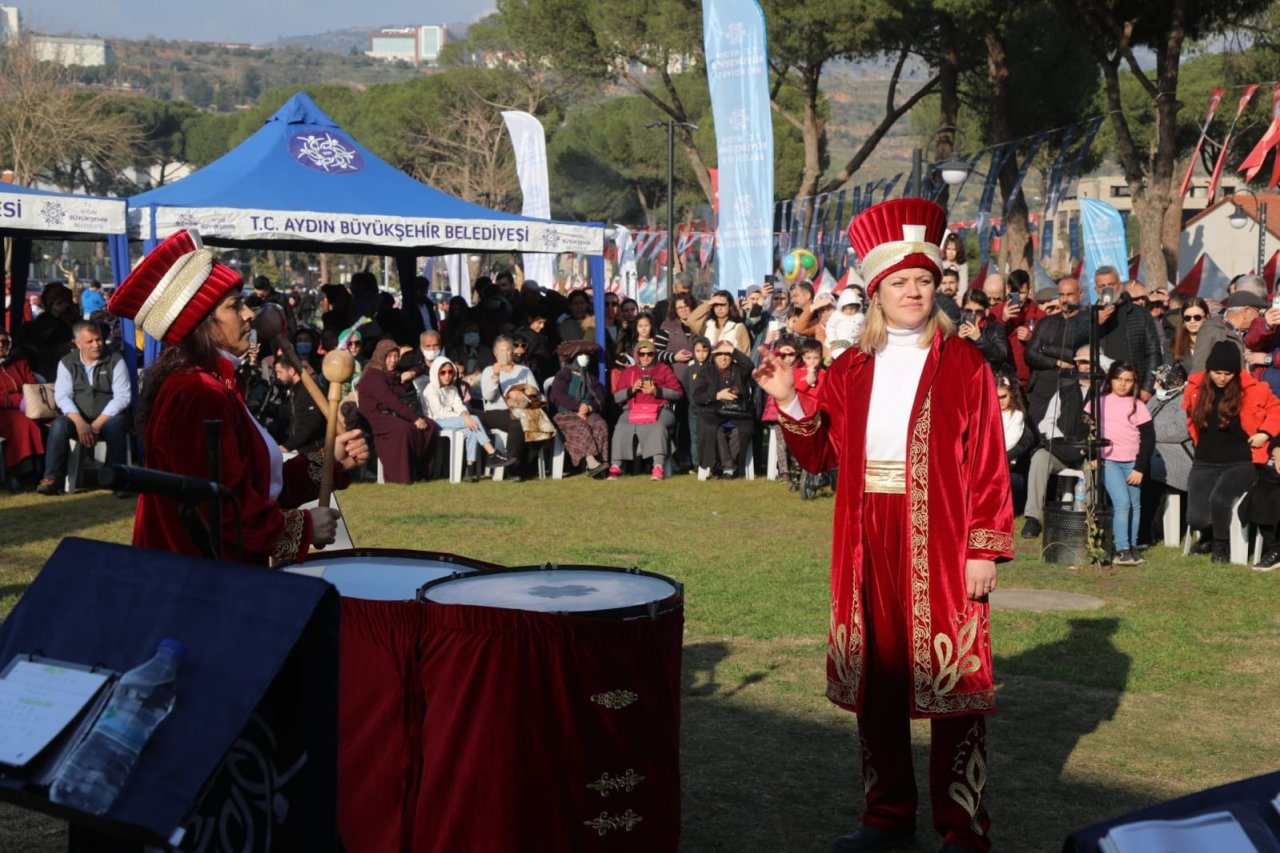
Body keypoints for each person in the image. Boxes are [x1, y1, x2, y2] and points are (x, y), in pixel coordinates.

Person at [754, 198, 1010, 853]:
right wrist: (787, 399)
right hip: (868, 538)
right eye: (899, 282)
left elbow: (986, 460)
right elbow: (818, 454)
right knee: (878, 681)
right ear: (876, 292)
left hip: (945, 538)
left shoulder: (966, 364)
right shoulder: (850, 370)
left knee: (957, 687)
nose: (913, 291)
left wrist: (984, 545)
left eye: (923, 280)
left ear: (937, 286)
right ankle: (887, 815)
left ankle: (962, 828)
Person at [106, 229, 367, 563]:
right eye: (234, 305)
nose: (248, 315)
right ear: (201, 323)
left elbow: (255, 485)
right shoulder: (195, 392)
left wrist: (330, 460)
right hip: (195, 584)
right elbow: (218, 508)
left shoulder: (217, 383)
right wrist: (301, 527)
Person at [1181, 340, 1280, 562]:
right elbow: (1190, 418)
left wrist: (1265, 432)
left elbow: (1277, 409)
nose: (1222, 378)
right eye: (1217, 372)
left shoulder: (1254, 389)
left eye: (1228, 373)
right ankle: (1206, 535)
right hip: (1205, 461)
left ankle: (1221, 545)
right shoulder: (1195, 389)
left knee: (1219, 499)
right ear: (1209, 370)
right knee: (1196, 517)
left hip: (1239, 461)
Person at [36, 321, 132, 496]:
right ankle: (51, 478)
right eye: (90, 341)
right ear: (77, 343)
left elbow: (122, 397)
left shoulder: (115, 360)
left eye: (99, 340)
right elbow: (62, 396)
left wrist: (96, 425)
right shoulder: (67, 363)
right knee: (59, 425)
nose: (96, 345)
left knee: (117, 424)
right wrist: (80, 422)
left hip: (107, 417)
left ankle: (117, 479)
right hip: (78, 417)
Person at [1020, 345, 1096, 539]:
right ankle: (1033, 518)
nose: (1085, 366)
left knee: (1093, 468)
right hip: (1062, 449)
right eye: (1081, 362)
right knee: (1039, 458)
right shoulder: (1065, 391)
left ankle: (1089, 520)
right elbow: (1048, 421)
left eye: (1089, 361)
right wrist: (1059, 442)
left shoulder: (1103, 393)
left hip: (1090, 452)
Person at [1091, 362, 1154, 566]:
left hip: (1133, 463)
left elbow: (1148, 439)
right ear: (1110, 379)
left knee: (1135, 505)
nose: (1123, 384)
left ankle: (1132, 546)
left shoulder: (1139, 406)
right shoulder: (1099, 402)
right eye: (1119, 379)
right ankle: (1122, 549)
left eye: (1128, 380)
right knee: (1122, 503)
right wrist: (1092, 455)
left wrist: (1139, 468)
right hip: (1109, 461)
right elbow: (1088, 429)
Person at [422, 356, 513, 482]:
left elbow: (459, 405)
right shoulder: (430, 389)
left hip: (452, 420)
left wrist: (465, 416)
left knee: (471, 429)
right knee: (473, 419)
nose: (447, 375)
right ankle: (492, 453)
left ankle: (469, 469)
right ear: (436, 373)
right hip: (436, 421)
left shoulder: (452, 388)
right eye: (443, 372)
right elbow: (440, 413)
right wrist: (465, 418)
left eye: (450, 371)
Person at [359, 339, 436, 484]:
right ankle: (402, 476)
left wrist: (410, 373)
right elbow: (391, 401)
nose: (393, 360)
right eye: (389, 357)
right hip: (375, 416)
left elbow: (420, 367)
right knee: (405, 429)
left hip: (394, 412)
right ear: (382, 356)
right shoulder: (373, 375)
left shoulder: (394, 372)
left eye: (396, 356)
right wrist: (414, 418)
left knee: (430, 426)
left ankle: (421, 472)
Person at [609, 340, 682, 480]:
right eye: (642, 354)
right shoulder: (629, 371)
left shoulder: (663, 369)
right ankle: (616, 466)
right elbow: (617, 397)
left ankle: (658, 467)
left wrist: (657, 391)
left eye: (649, 353)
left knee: (657, 427)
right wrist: (632, 390)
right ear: (637, 355)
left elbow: (677, 393)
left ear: (654, 354)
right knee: (622, 426)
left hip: (660, 409)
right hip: (634, 410)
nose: (646, 357)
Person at [479, 335, 543, 479]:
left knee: (531, 422)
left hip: (522, 409)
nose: (505, 353)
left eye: (508, 349)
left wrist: (522, 395)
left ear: (513, 351)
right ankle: (514, 468)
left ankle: (522, 465)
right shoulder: (489, 371)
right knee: (518, 423)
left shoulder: (523, 370)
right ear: (495, 353)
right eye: (501, 350)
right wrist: (496, 376)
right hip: (496, 411)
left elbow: (536, 394)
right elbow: (488, 396)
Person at [691, 340, 757, 479]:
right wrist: (716, 395)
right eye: (719, 354)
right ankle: (727, 467)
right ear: (714, 356)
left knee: (741, 430)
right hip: (714, 412)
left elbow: (750, 365)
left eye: (727, 354)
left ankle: (727, 467)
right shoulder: (705, 372)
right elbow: (697, 397)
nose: (723, 357)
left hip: (738, 412)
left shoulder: (739, 369)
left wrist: (733, 350)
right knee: (715, 429)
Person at [548, 340, 611, 478]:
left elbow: (600, 397)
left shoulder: (591, 377)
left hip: (587, 411)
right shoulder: (563, 375)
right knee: (580, 426)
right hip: (565, 413)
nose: (585, 357)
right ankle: (591, 462)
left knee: (600, 424)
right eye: (581, 354)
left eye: (587, 355)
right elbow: (557, 395)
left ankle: (601, 461)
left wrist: (589, 407)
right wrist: (577, 407)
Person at [0, 329, 44, 491]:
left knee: (49, 423)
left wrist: (27, 399)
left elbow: (32, 384)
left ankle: (46, 472)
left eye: (4, 342)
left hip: (29, 405)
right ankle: (22, 474)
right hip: (4, 411)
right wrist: (18, 399)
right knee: (22, 424)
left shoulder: (19, 363)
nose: (1, 345)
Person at [1168, 297, 1239, 376]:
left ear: (1207, 317)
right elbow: (1169, 374)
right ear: (1183, 321)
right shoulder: (1171, 345)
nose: (1192, 321)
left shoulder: (1220, 341)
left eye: (1197, 317)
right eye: (1187, 318)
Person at [273, 356, 326, 455]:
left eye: (280, 372)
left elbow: (312, 423)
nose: (278, 377)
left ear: (292, 371)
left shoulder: (309, 390)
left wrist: (288, 445)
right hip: (301, 450)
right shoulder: (295, 390)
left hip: (313, 452)